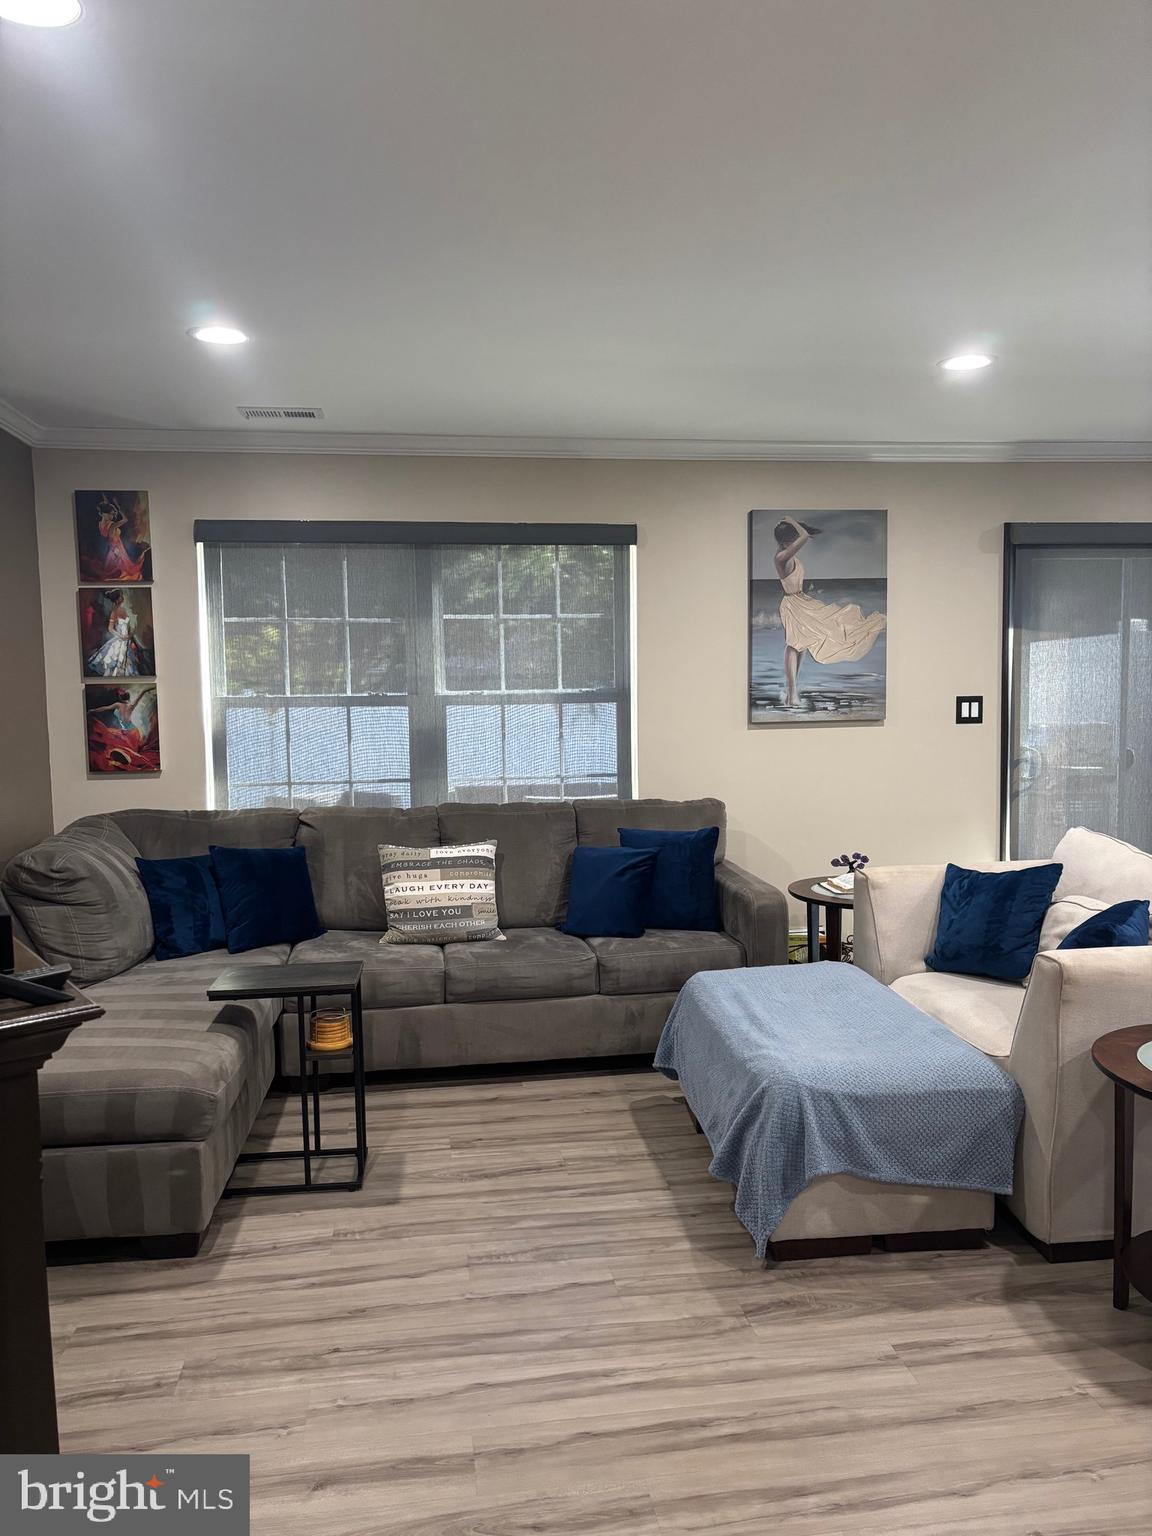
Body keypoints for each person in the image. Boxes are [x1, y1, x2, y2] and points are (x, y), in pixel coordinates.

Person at [773, 515, 886, 708]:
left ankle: (792, 693)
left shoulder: (786, 555)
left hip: (800, 600)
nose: (795, 543)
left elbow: (802, 537)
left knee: (803, 644)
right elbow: (804, 536)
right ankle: (791, 695)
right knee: (793, 645)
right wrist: (792, 521)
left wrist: (791, 526)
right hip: (792, 604)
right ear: (785, 542)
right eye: (792, 540)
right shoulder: (781, 557)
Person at [85, 590, 149, 676]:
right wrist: (121, 636)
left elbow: (128, 626)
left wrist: (130, 634)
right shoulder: (114, 612)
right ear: (118, 599)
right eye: (121, 596)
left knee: (130, 660)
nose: (123, 597)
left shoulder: (125, 610)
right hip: (119, 640)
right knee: (117, 660)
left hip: (127, 640)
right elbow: (110, 628)